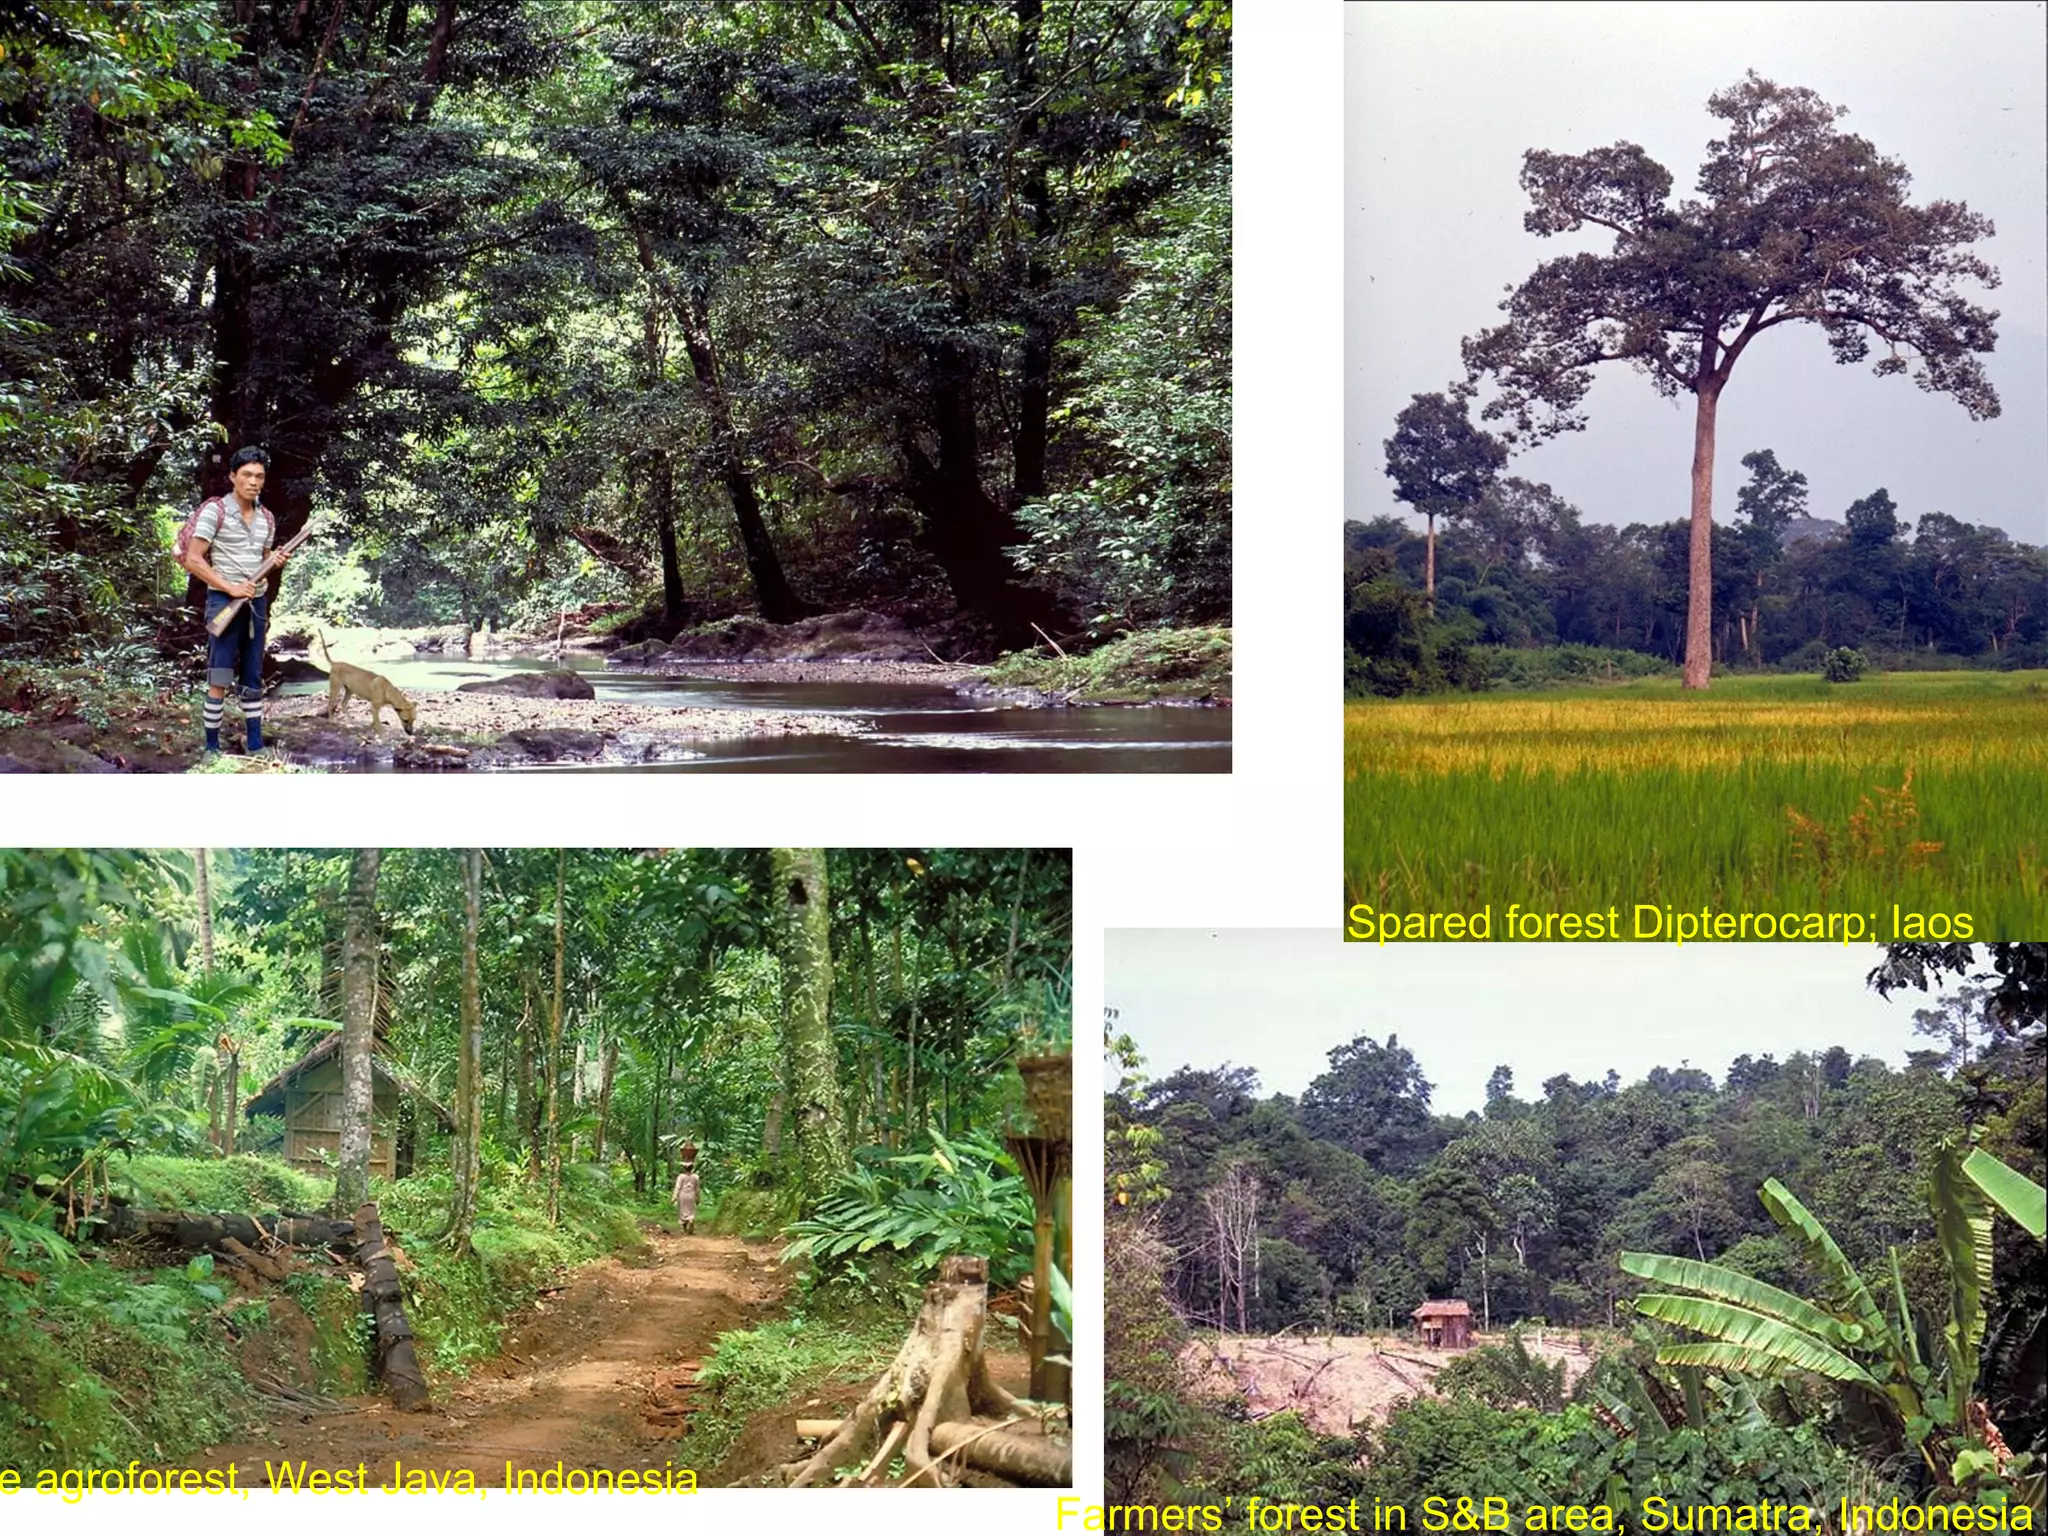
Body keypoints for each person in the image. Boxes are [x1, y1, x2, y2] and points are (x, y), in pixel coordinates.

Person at [181, 448, 289, 753]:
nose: (253, 482)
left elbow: (262, 560)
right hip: (223, 601)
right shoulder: (215, 512)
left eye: (259, 476)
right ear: (233, 477)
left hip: (256, 603)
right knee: (220, 675)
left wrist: (274, 562)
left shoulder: (267, 518)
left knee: (253, 675)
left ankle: (255, 746)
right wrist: (230, 588)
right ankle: (211, 750)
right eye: (247, 475)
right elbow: (193, 559)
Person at [671, 1165, 701, 1234]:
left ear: (684, 1168)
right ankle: (691, 1219)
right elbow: (697, 1189)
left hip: (683, 1195)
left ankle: (684, 1228)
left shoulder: (681, 1176)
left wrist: (674, 1197)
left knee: (682, 1210)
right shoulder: (695, 1177)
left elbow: (677, 1187)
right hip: (692, 1195)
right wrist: (698, 1198)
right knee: (691, 1210)